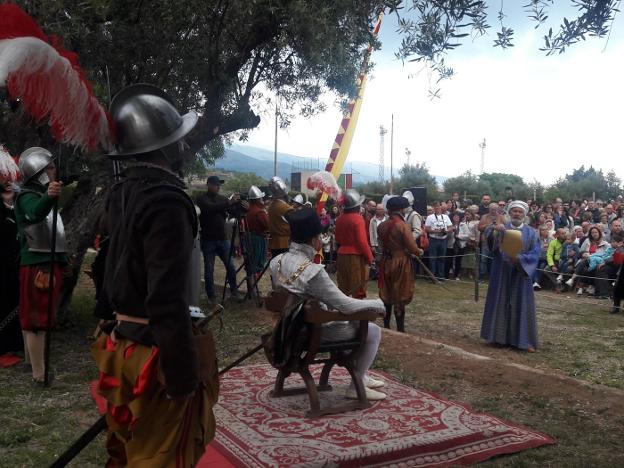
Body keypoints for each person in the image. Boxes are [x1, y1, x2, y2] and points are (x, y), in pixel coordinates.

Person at [93, 84, 217, 466]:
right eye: (177, 139)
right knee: (160, 455)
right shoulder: (166, 201)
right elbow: (166, 299)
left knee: (128, 446)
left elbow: (106, 269)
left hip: (120, 343)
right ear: (165, 147)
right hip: (152, 354)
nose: (182, 147)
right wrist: (181, 376)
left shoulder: (121, 192)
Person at [269, 207, 387, 400]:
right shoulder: (313, 271)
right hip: (311, 332)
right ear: (314, 239)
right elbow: (346, 306)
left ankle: (363, 376)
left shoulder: (277, 261)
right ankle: (356, 383)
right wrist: (378, 304)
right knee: (373, 330)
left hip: (287, 328)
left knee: (341, 316)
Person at [14, 147, 67, 383]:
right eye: (51, 167)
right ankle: (39, 373)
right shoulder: (27, 195)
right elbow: (34, 214)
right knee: (36, 319)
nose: (54, 170)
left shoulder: (39, 192)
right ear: (41, 172)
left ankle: (31, 363)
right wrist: (49, 195)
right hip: (38, 263)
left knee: (36, 315)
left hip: (45, 261)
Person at [480, 201, 540, 352]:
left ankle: (523, 341)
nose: (517, 214)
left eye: (520, 212)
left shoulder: (532, 233)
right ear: (509, 213)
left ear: (524, 214)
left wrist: (519, 259)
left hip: (521, 273)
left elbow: (535, 253)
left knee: (521, 304)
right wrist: (495, 231)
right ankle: (498, 337)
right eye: (514, 211)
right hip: (502, 272)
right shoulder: (502, 227)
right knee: (501, 301)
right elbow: (489, 241)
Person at [377, 196, 423, 332]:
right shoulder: (403, 225)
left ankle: (386, 326)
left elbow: (381, 246)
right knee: (400, 294)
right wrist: (419, 251)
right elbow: (412, 247)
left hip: (386, 261)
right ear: (401, 210)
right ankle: (400, 329)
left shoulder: (381, 226)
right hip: (401, 262)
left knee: (387, 293)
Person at [196, 175, 244, 303]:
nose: (218, 187)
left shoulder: (222, 199)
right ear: (209, 185)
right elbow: (211, 208)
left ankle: (234, 292)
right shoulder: (201, 199)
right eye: (216, 184)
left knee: (231, 266)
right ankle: (211, 296)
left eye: (219, 185)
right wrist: (229, 202)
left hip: (223, 239)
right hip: (208, 240)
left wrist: (240, 205)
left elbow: (231, 210)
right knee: (209, 269)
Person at [334, 189, 374, 298]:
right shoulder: (358, 219)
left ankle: (342, 311)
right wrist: (370, 258)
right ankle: (357, 314)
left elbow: (337, 238)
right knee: (357, 287)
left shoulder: (339, 219)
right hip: (355, 257)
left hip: (341, 255)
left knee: (343, 287)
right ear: (356, 206)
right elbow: (362, 241)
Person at [0, 181, 23, 355]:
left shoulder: (17, 207)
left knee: (13, 301)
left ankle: (13, 342)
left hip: (14, 265)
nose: (8, 186)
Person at [425, 201, 453, 281]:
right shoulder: (430, 217)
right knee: (432, 259)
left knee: (441, 258)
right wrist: (436, 231)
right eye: (435, 206)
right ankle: (432, 277)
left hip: (443, 240)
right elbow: (426, 228)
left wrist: (446, 231)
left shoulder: (446, 217)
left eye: (438, 206)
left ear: (441, 207)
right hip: (433, 240)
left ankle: (440, 276)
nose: (437, 208)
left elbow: (451, 227)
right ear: (434, 208)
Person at [245, 185, 269, 276]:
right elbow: (268, 225)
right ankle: (253, 288)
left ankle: (252, 286)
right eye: (261, 198)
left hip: (249, 238)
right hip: (257, 240)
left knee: (251, 264)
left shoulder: (248, 209)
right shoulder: (259, 212)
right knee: (256, 264)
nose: (262, 200)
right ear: (257, 200)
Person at [267, 176, 293, 257]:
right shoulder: (285, 207)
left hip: (274, 243)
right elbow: (295, 225)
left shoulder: (271, 206)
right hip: (285, 243)